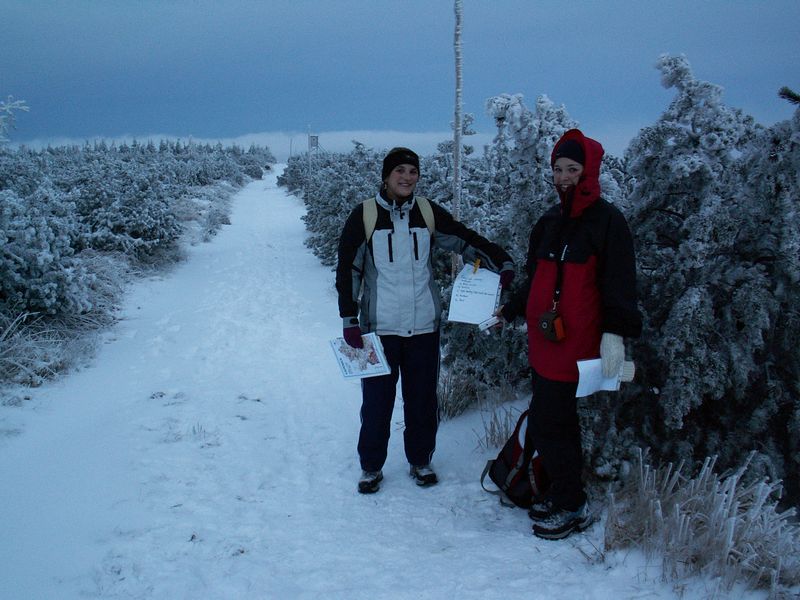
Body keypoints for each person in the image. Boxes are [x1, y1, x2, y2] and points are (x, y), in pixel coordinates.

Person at [336, 147, 515, 494]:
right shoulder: (365, 216)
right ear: (386, 176)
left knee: (422, 401)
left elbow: (465, 240)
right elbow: (348, 268)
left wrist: (500, 261)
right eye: (399, 171)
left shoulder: (428, 213)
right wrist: (348, 318)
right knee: (376, 404)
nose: (406, 177)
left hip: (423, 328)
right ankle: (371, 467)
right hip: (379, 329)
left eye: (412, 171)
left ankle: (421, 460)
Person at [498, 129, 642, 539]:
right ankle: (564, 493)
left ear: (589, 171)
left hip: (576, 347)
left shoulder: (608, 222)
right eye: (558, 169)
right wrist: (508, 311)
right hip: (544, 343)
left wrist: (615, 335)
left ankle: (572, 502)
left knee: (553, 422)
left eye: (572, 169)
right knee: (550, 421)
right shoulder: (548, 222)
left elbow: (620, 284)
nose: (563, 177)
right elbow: (534, 280)